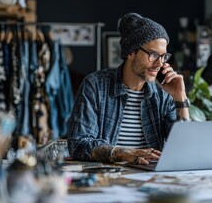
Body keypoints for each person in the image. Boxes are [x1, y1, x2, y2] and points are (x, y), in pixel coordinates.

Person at [67, 12, 191, 165]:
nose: (159, 64)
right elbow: (78, 144)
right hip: (109, 179)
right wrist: (124, 153)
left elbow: (185, 149)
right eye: (153, 54)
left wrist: (180, 97)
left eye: (163, 56)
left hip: (153, 178)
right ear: (131, 52)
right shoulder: (95, 85)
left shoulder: (164, 94)